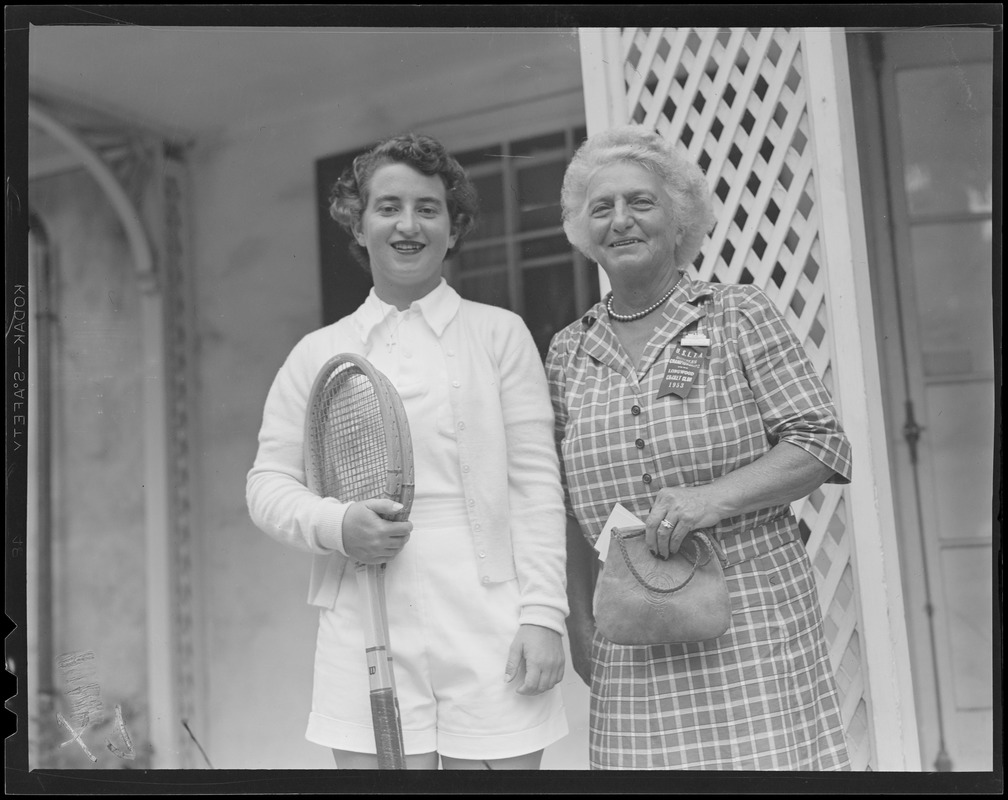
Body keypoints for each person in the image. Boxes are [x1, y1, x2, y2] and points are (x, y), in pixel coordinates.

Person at [246, 133, 568, 770]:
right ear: (359, 225)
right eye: (387, 207)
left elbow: (534, 484)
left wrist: (543, 615)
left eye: (429, 208)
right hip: (363, 607)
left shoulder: (499, 335)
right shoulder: (317, 353)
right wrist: (337, 525)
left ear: (454, 229)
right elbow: (267, 485)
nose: (408, 224)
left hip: (489, 613)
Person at [545, 124, 853, 770]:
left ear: (679, 218)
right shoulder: (568, 352)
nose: (621, 220)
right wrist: (580, 621)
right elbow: (563, 507)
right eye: (602, 208)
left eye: (641, 202)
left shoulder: (736, 314)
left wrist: (712, 498)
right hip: (630, 621)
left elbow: (820, 442)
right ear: (581, 230)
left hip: (750, 607)